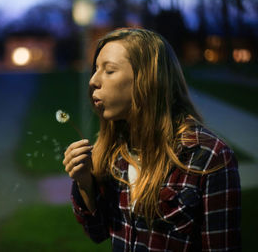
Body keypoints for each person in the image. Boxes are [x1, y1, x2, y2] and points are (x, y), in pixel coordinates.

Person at [63, 28, 241, 251]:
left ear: (147, 80)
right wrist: (84, 183)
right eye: (95, 69)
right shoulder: (114, 151)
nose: (93, 81)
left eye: (109, 70)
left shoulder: (208, 156)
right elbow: (98, 232)